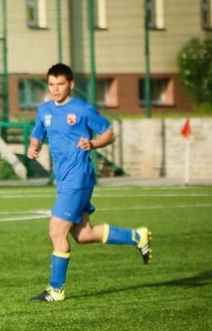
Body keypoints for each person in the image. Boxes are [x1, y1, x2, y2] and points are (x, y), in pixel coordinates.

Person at [27, 63, 152, 302]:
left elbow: (108, 134)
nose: (55, 89)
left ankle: (56, 290)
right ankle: (138, 237)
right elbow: (37, 133)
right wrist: (34, 147)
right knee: (84, 235)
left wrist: (93, 144)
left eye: (60, 84)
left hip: (79, 178)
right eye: (51, 84)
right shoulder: (44, 111)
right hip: (64, 180)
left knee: (56, 230)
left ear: (71, 85)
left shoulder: (82, 109)